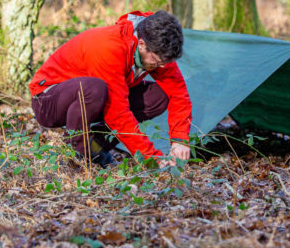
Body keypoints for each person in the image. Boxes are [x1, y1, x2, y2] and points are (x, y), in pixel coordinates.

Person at [29, 10, 192, 168]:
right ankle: (76, 157)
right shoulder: (110, 47)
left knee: (159, 97)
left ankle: (96, 147)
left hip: (93, 100)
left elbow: (178, 93)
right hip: (47, 101)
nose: (162, 66)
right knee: (94, 89)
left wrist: (180, 139)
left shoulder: (157, 46)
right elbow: (117, 112)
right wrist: (150, 156)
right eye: (157, 61)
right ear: (142, 45)